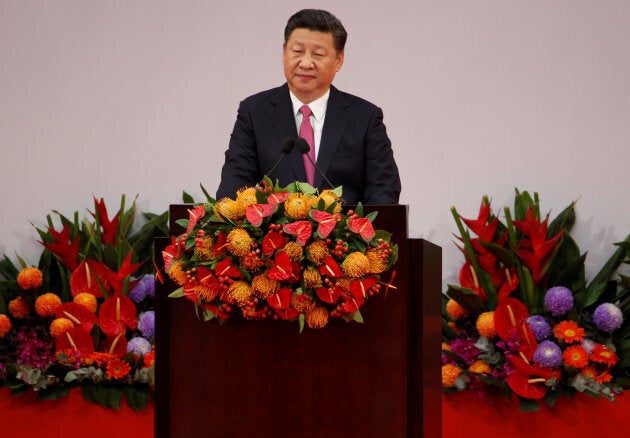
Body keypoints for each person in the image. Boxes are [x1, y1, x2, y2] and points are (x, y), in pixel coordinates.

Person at [216, 9, 401, 205]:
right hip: (273, 235)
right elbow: (234, 184)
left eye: (318, 54)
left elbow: (384, 188)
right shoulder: (254, 112)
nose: (305, 63)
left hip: (342, 234)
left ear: (338, 60)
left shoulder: (365, 117)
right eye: (297, 51)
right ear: (284, 52)